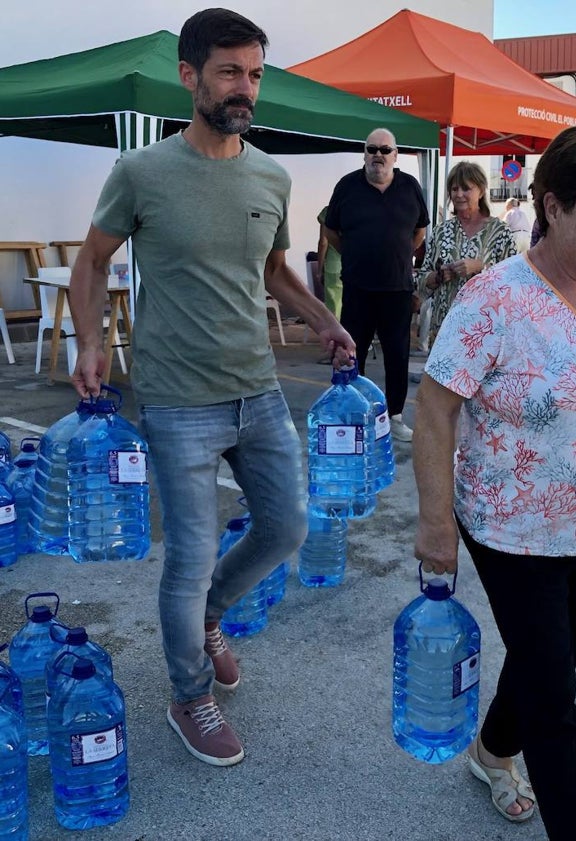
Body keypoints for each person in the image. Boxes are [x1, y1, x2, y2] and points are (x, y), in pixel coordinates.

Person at [68, 8, 355, 767]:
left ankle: (208, 616)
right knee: (189, 553)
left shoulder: (271, 173)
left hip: (257, 388)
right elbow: (92, 262)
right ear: (189, 75)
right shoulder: (141, 173)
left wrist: (324, 320)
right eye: (229, 71)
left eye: (255, 73)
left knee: (286, 526)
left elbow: (270, 271)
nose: (244, 88)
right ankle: (188, 691)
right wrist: (91, 343)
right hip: (175, 397)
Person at [413, 124, 576, 841]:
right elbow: (435, 403)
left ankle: (490, 751)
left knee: (548, 658)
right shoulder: (495, 298)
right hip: (508, 528)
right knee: (555, 698)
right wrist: (433, 523)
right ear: (553, 207)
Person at [324, 128, 430, 442]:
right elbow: (331, 232)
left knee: (396, 356)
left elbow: (420, 232)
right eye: (372, 150)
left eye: (385, 150)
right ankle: (357, 416)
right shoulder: (347, 186)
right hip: (357, 287)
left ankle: (394, 417)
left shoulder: (409, 187)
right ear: (365, 153)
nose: (378, 156)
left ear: (396, 156)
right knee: (351, 354)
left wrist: (398, 255)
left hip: (397, 289)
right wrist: (356, 255)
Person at [417, 162, 516, 348]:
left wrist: (481, 267)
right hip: (445, 331)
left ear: (481, 190)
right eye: (454, 189)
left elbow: (514, 282)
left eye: (466, 188)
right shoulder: (441, 232)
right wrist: (438, 276)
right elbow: (422, 280)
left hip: (485, 332)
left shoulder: (500, 232)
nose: (459, 194)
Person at [315, 205, 343, 363]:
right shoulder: (354, 209)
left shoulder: (328, 212)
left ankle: (334, 352)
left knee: (333, 312)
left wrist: (319, 269)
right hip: (352, 265)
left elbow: (323, 242)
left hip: (334, 266)